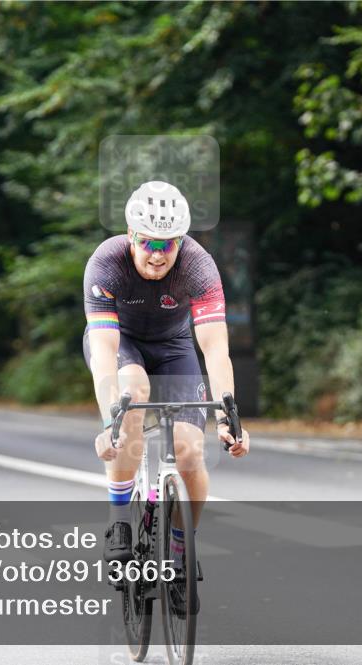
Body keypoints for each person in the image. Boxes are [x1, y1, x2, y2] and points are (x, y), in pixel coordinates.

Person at [83, 180, 251, 606]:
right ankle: (120, 519)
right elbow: (103, 352)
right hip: (121, 342)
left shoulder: (198, 265)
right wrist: (109, 422)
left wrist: (231, 418)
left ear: (181, 241)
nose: (157, 254)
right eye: (148, 242)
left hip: (175, 347)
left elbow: (215, 348)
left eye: (168, 244)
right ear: (131, 235)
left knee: (190, 451)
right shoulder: (107, 262)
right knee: (134, 391)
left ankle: (179, 551)